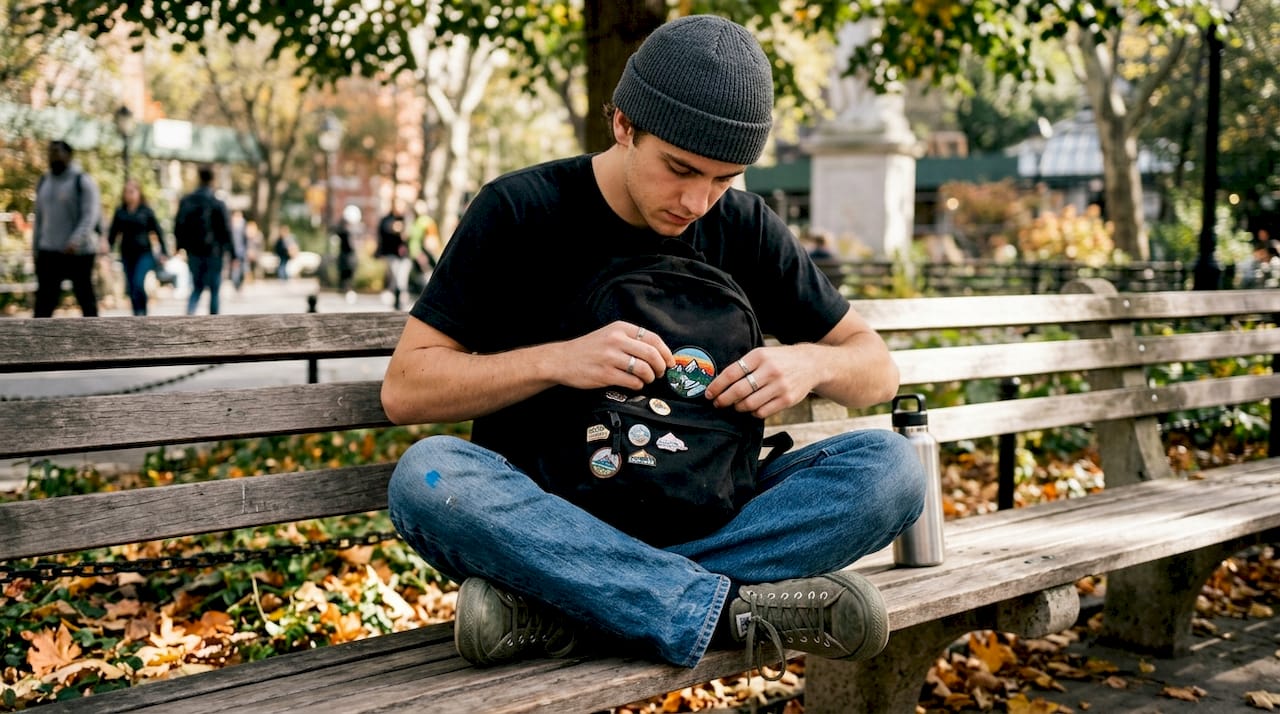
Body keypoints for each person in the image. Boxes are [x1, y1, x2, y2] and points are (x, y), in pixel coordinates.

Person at [380, 15, 923, 677]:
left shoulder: (745, 227)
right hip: (551, 517)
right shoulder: (520, 211)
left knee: (892, 470)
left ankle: (570, 609)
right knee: (428, 477)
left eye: (724, 178)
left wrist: (811, 362)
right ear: (622, 125)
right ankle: (725, 613)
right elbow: (407, 387)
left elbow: (877, 370)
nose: (697, 201)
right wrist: (557, 359)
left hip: (711, 515)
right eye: (680, 169)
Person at [32, 139, 102, 317]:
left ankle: (96, 339)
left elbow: (90, 215)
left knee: (86, 300)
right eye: (50, 152)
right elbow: (39, 218)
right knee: (44, 305)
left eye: (57, 152)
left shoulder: (82, 181)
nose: (53, 156)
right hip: (49, 250)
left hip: (78, 253)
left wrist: (75, 240)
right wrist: (35, 248)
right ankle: (37, 341)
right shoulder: (44, 182)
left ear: (68, 155)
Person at [174, 165, 233, 315]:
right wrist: (232, 253)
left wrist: (179, 246)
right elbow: (226, 230)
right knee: (214, 289)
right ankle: (214, 323)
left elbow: (179, 225)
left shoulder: (187, 201)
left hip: (194, 251)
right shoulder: (217, 202)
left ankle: (189, 317)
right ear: (212, 179)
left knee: (197, 287)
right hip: (214, 252)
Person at [107, 180, 166, 315]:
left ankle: (143, 313)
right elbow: (113, 233)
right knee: (131, 287)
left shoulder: (146, 211)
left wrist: (164, 252)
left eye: (133, 191)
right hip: (127, 254)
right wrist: (107, 251)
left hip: (144, 253)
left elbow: (158, 231)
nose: (130, 195)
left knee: (138, 283)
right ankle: (136, 316)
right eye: (127, 192)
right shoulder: (120, 212)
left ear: (139, 193)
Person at [376, 201, 411, 310]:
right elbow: (383, 233)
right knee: (395, 277)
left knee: (402, 278)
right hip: (392, 254)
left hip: (405, 255)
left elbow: (410, 235)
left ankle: (401, 300)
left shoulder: (407, 219)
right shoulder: (387, 219)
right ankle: (397, 300)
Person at [229, 210, 248, 292]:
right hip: (233, 251)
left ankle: (240, 283)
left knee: (243, 268)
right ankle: (236, 284)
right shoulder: (230, 225)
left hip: (242, 250)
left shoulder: (243, 225)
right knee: (235, 269)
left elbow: (245, 239)